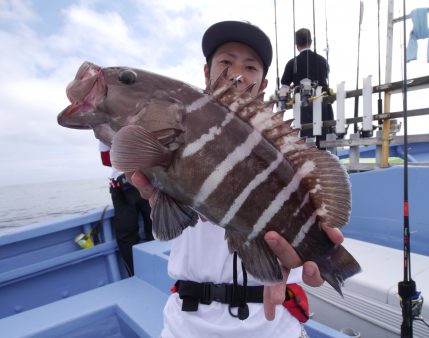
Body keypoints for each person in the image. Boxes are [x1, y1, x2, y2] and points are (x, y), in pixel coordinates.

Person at [129, 21, 344, 338]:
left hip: (270, 324)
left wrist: (320, 257)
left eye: (250, 66)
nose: (237, 74)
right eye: (226, 62)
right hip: (187, 325)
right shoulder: (172, 126)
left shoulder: (288, 152)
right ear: (206, 72)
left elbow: (318, 218)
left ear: (264, 82)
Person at [99, 141, 154, 276]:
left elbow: (106, 160)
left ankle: (136, 274)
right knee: (154, 228)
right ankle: (158, 269)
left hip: (122, 185)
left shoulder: (102, 128)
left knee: (127, 236)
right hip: (147, 178)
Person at [281, 28, 334, 145]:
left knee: (307, 140)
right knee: (325, 139)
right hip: (323, 103)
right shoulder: (322, 60)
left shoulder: (292, 63)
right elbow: (324, 77)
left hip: (304, 105)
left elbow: (284, 86)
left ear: (296, 44)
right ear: (311, 42)